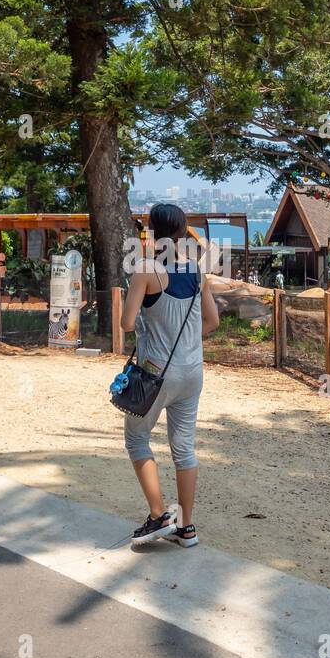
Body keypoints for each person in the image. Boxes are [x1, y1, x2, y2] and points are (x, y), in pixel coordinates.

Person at [119, 203, 220, 548]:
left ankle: (159, 514)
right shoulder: (196, 272)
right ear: (182, 232)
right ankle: (187, 528)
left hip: (155, 373)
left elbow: (127, 323)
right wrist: (187, 340)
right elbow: (213, 322)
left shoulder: (145, 270)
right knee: (184, 447)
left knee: (136, 439)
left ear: (150, 231)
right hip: (192, 371)